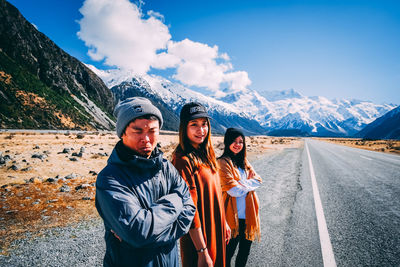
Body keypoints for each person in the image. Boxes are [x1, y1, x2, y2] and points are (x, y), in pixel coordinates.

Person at [95, 97, 196, 267]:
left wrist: (151, 232)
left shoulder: (165, 167)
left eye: (152, 131)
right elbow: (138, 233)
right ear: (123, 133)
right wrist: (176, 200)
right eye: (137, 131)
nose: (147, 139)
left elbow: (189, 210)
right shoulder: (110, 179)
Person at [172, 102, 231, 267]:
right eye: (194, 125)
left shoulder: (206, 154)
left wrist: (223, 222)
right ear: (184, 128)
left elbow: (215, 193)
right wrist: (202, 251)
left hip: (215, 226)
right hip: (199, 238)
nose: (201, 130)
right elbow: (188, 210)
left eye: (204, 124)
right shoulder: (182, 160)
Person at [218, 128, 262, 267]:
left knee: (244, 254)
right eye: (234, 141)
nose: (238, 144)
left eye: (241, 142)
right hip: (231, 219)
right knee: (227, 254)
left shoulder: (244, 162)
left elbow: (259, 180)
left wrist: (241, 183)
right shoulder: (222, 163)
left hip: (248, 217)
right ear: (227, 142)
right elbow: (233, 190)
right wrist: (248, 185)